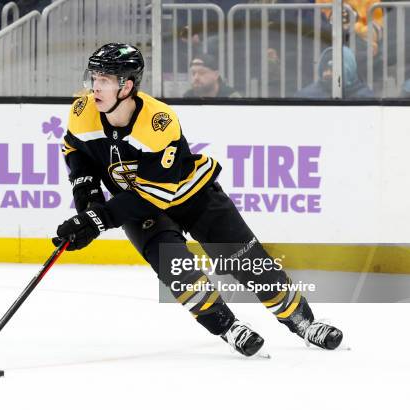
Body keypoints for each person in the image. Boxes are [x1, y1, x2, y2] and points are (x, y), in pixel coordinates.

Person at [53, 43, 344, 357]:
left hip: (191, 195)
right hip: (136, 204)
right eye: (94, 76)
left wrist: (98, 220)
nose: (95, 85)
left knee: (248, 261)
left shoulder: (158, 121)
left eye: (105, 79)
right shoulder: (82, 111)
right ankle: (229, 327)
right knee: (176, 268)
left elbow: (155, 195)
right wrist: (89, 202)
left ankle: (303, 322)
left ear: (127, 86)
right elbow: (76, 153)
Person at [294, 46, 374, 99]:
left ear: (349, 71)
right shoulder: (306, 97)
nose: (327, 73)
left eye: (333, 70)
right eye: (324, 69)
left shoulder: (366, 99)